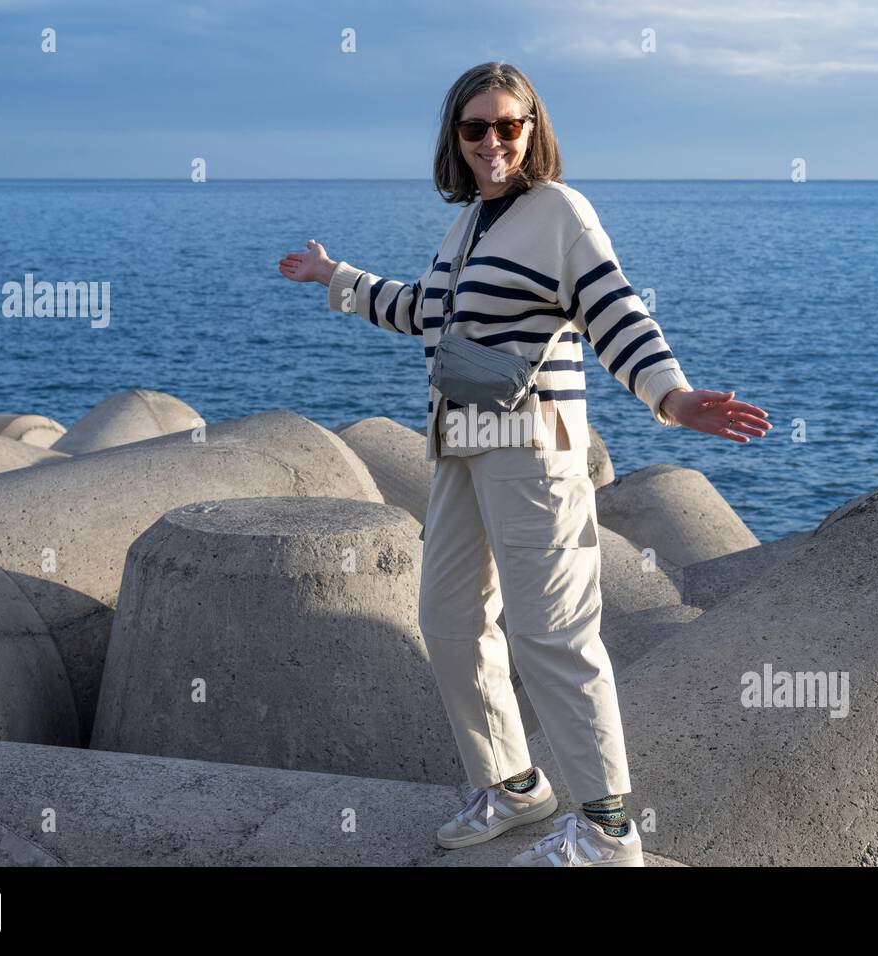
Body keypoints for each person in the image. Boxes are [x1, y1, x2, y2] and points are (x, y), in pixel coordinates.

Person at [279, 61, 771, 867]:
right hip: (462, 449)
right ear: (456, 137)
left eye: (510, 124)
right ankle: (512, 786)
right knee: (446, 618)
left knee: (554, 634)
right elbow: (421, 311)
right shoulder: (470, 223)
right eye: (476, 127)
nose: (494, 141)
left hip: (533, 452)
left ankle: (611, 828)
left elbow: (615, 308)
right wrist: (337, 278)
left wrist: (671, 397)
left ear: (534, 129)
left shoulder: (559, 213)